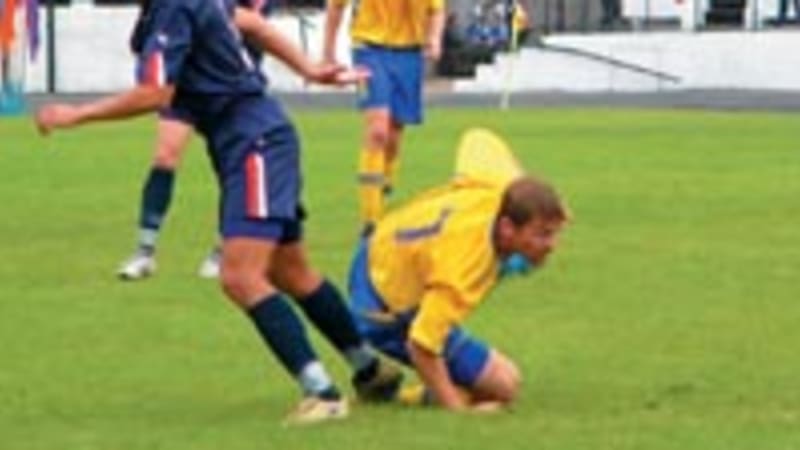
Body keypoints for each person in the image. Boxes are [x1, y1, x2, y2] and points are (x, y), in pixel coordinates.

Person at [35, 0, 401, 425]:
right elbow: (253, 24)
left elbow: (155, 93)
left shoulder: (172, 8)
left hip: (253, 144)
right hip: (256, 139)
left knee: (240, 276)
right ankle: (371, 371)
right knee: (291, 271)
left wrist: (76, 114)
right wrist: (308, 68)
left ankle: (323, 394)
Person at [348, 128, 569, 411]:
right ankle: (398, 396)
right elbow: (421, 345)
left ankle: (430, 389)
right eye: (542, 234)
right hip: (381, 304)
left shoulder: (501, 189)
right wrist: (458, 410)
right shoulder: (462, 268)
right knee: (504, 385)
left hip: (385, 247)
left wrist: (534, 197)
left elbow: (477, 138)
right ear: (507, 227)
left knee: (498, 381)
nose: (552, 245)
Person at [117, 0, 275, 281]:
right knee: (165, 156)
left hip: (227, 86)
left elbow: (253, 21)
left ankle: (223, 247)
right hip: (185, 85)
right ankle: (145, 251)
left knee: (232, 167)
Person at [322, 0, 446, 234]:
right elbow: (335, 6)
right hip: (369, 50)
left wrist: (434, 38)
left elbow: (436, 10)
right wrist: (327, 54)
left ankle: (383, 181)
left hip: (409, 53)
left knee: (394, 135)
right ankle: (371, 219)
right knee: (377, 130)